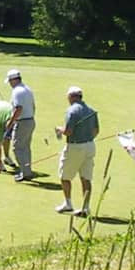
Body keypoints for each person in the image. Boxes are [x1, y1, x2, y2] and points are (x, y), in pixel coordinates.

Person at [54, 85, 99, 215]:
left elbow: (68, 132)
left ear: (71, 97)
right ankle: (85, 207)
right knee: (86, 178)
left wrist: (59, 129)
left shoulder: (71, 111)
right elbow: (96, 131)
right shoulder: (91, 110)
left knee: (64, 176)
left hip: (75, 147)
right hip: (90, 145)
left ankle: (68, 204)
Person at [6, 70, 38, 181]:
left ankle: (25, 173)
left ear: (14, 80)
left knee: (18, 148)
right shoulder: (27, 89)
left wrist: (10, 122)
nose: (10, 84)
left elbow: (18, 108)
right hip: (30, 120)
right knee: (25, 148)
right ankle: (27, 171)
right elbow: (33, 106)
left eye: (10, 81)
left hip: (22, 122)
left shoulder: (17, 91)